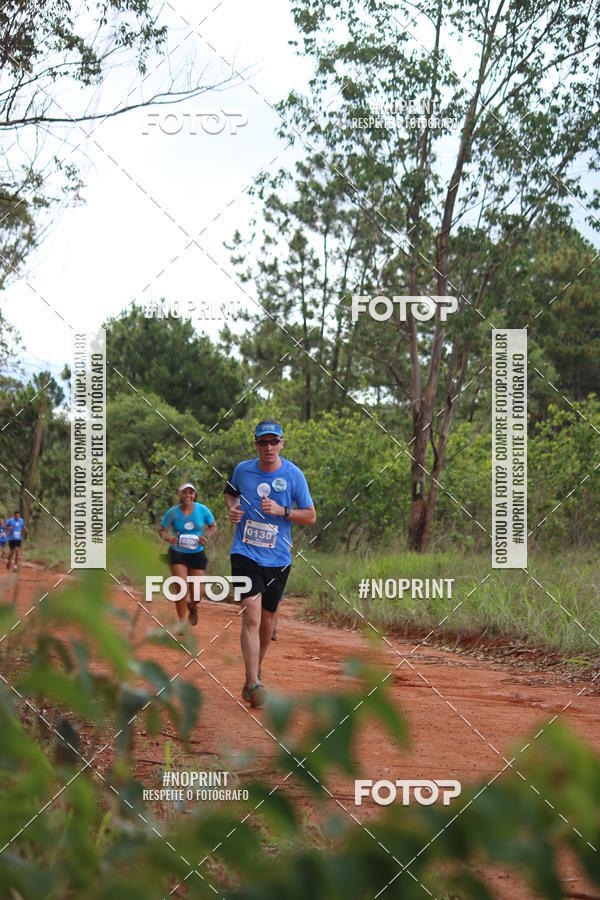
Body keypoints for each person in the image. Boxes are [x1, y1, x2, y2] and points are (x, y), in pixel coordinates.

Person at [224, 419, 316, 707]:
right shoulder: (242, 470)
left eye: (273, 441)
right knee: (251, 615)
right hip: (244, 552)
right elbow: (230, 493)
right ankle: (253, 683)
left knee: (266, 621)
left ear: (281, 444)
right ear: (256, 445)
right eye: (263, 442)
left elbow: (310, 516)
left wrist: (282, 510)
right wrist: (233, 509)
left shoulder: (294, 475)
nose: (268, 447)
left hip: (278, 558)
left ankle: (255, 671)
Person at [158, 483, 217, 626]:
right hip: (177, 554)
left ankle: (193, 606)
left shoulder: (202, 510)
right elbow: (162, 530)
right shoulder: (173, 512)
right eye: (185, 492)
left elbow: (213, 526)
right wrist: (168, 538)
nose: (188, 495)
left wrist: (206, 537)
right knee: (181, 588)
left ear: (194, 495)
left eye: (191, 492)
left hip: (197, 554)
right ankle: (181, 623)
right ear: (180, 495)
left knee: (197, 595)